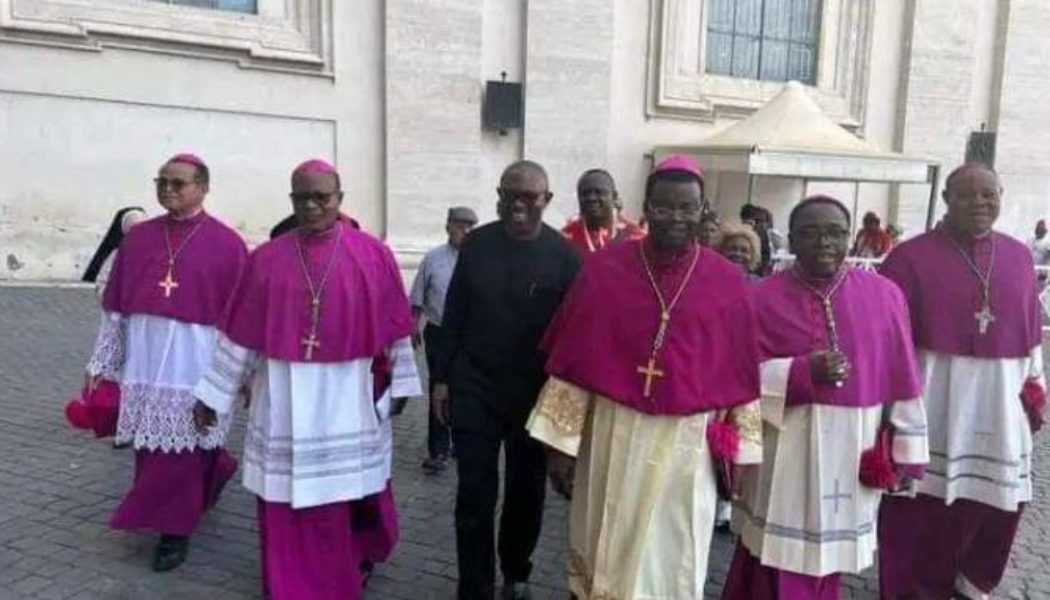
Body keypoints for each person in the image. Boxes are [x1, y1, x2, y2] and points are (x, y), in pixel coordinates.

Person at [526, 155, 763, 599]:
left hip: (687, 448)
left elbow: (739, 373)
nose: (675, 217)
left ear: (702, 210)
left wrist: (744, 452)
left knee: (673, 555)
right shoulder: (604, 272)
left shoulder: (726, 281)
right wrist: (559, 446)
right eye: (664, 207)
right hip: (612, 435)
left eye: (686, 208)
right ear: (646, 207)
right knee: (604, 544)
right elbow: (577, 362)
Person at [193, 159, 421, 600]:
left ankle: (337, 579)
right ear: (292, 199)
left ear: (340, 198)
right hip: (281, 395)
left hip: (344, 398)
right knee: (282, 501)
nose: (313, 205)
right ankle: (287, 584)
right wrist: (213, 395)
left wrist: (403, 384)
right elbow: (238, 337)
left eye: (323, 197)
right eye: (303, 198)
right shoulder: (266, 259)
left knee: (335, 499)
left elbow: (395, 327)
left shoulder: (372, 255)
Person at [721, 195, 928, 599]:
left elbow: (903, 376)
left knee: (828, 561)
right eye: (810, 233)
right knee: (774, 556)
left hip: (854, 449)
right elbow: (732, 379)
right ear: (791, 241)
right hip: (785, 449)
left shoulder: (885, 296)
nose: (824, 243)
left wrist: (906, 451)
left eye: (835, 233)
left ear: (850, 238)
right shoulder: (759, 299)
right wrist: (800, 373)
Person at [877, 163, 1046, 599]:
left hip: (1000, 402)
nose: (980, 203)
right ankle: (913, 586)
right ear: (948, 199)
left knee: (999, 501)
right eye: (968, 195)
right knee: (923, 505)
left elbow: (1030, 334)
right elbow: (885, 341)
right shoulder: (908, 258)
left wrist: (1035, 385)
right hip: (933, 401)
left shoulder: (1020, 256)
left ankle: (974, 579)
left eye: (989, 194)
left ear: (1001, 196)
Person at [83, 153, 247, 571]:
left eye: (179, 183)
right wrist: (104, 360)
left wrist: (238, 373)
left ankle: (175, 531)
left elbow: (240, 317)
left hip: (197, 358)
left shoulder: (227, 243)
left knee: (189, 443)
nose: (168, 190)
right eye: (162, 182)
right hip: (146, 355)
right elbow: (116, 305)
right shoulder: (138, 238)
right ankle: (211, 476)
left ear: (203, 188)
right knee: (152, 443)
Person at [430, 160, 581, 600]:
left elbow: (572, 335)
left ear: (546, 200)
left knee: (525, 493)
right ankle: (474, 584)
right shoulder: (476, 244)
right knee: (473, 492)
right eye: (507, 195)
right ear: (498, 196)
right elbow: (454, 313)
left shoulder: (565, 257)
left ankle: (516, 571)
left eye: (528, 197)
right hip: (475, 387)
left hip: (534, 395)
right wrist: (441, 378)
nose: (516, 204)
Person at [67, 207, 148, 441]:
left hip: (143, 324)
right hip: (117, 322)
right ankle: (119, 424)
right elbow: (102, 285)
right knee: (116, 371)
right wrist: (118, 300)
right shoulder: (116, 255)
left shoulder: (156, 253)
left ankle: (137, 422)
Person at [410, 206, 479, 473]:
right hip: (438, 332)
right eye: (460, 225)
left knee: (465, 390)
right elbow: (417, 296)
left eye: (470, 226)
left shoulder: (480, 259)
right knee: (439, 388)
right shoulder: (433, 259)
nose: (465, 231)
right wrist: (413, 324)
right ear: (448, 226)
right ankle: (438, 450)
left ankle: (461, 444)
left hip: (470, 335)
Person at [562, 168, 645, 256]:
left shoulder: (636, 237)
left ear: (614, 196)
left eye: (599, 192)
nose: (591, 198)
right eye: (585, 193)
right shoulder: (565, 240)